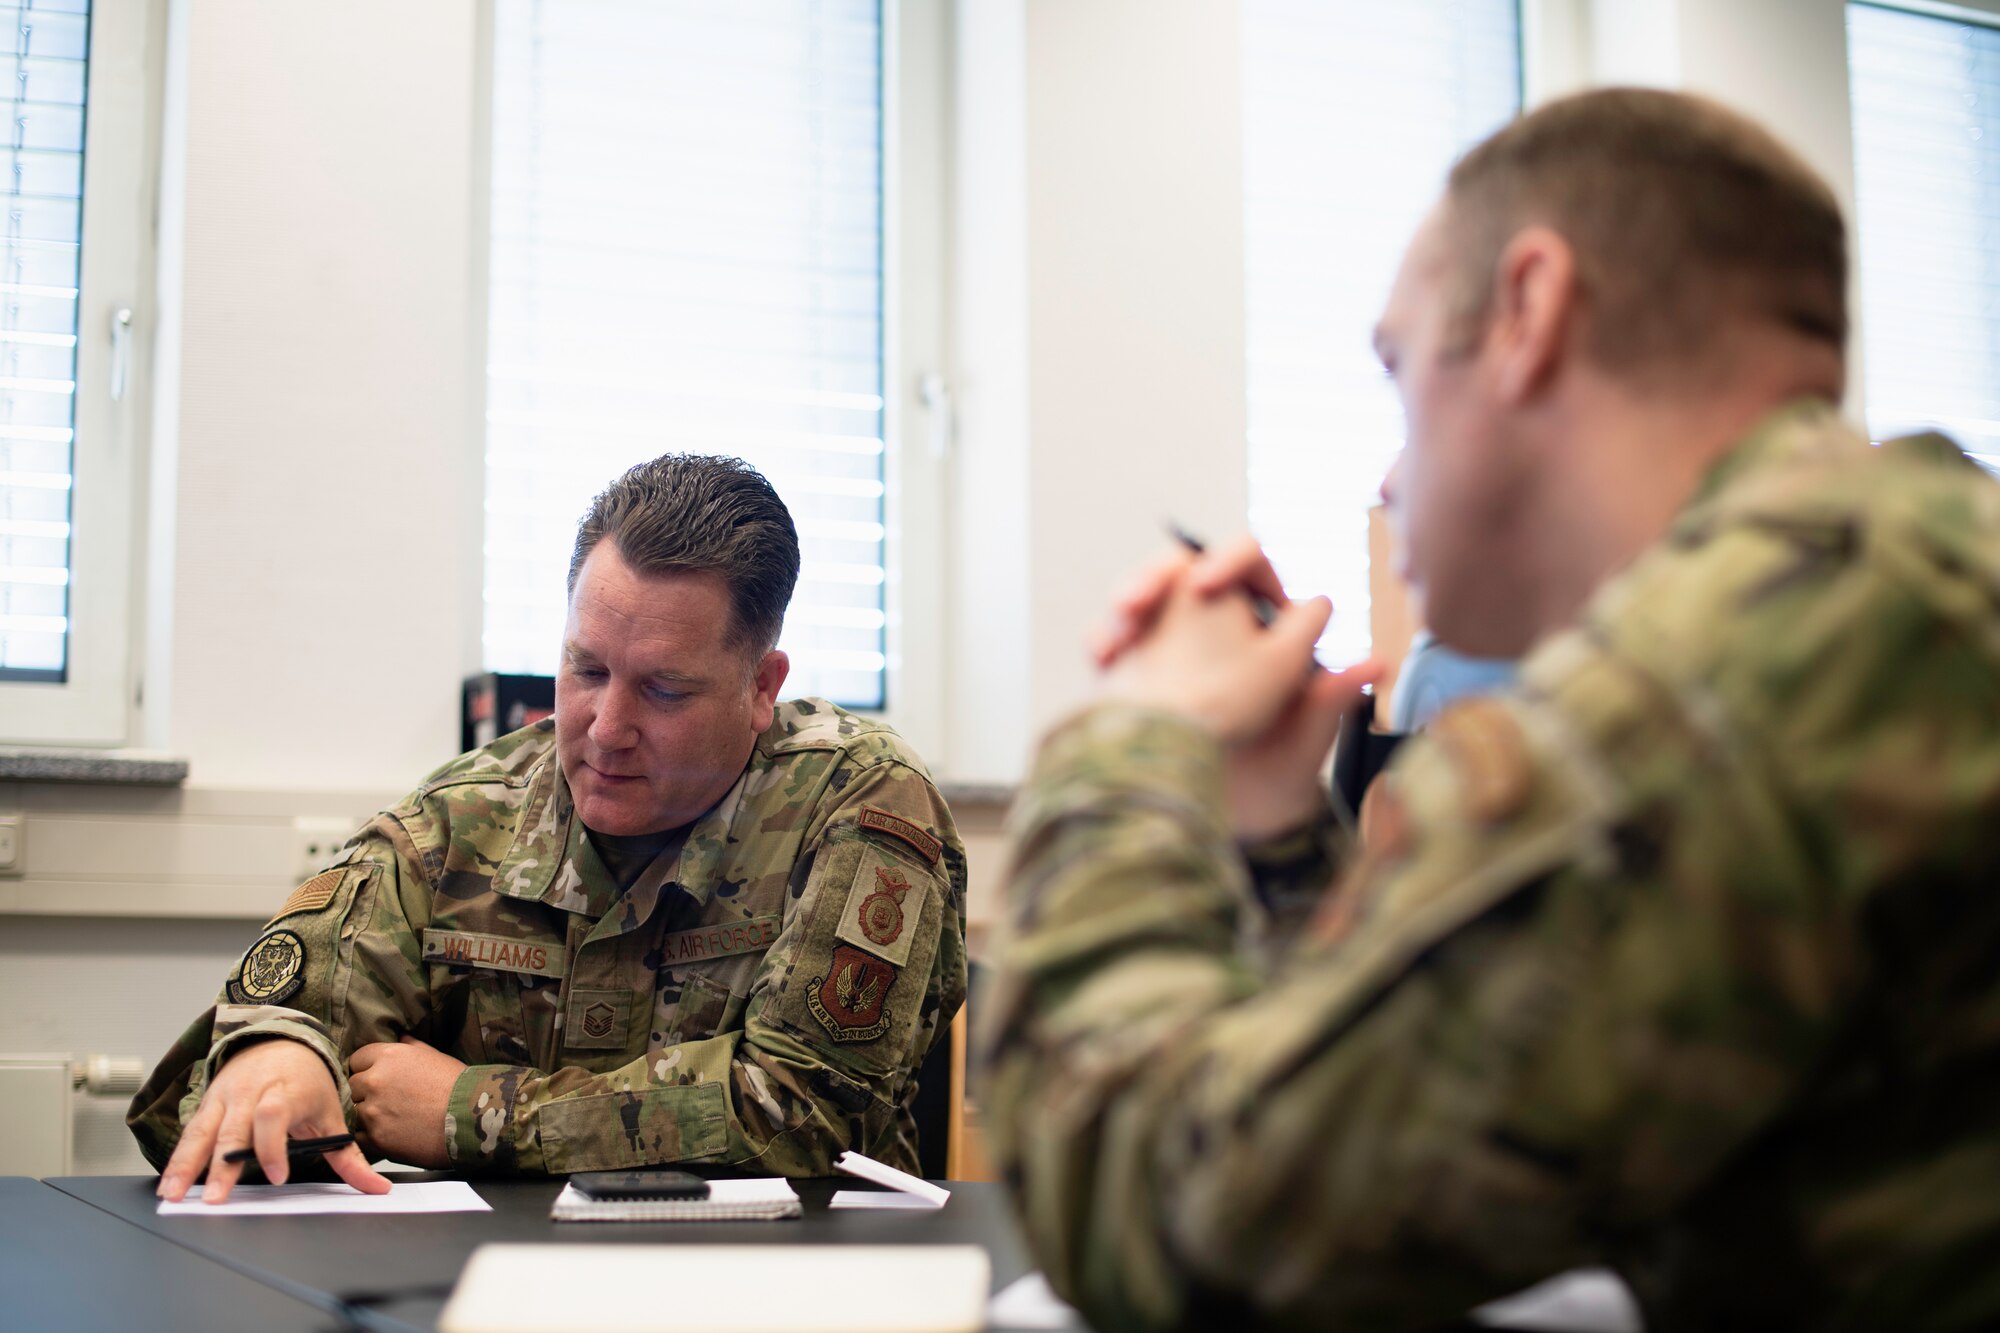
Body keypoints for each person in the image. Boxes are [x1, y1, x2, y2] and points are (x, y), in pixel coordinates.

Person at [981, 88, 2000, 1330]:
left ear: (1527, 310)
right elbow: (1439, 1118)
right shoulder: (1901, 572)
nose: (1388, 474)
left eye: (1399, 369)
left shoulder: (1722, 684)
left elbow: (1182, 1234)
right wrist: (1271, 830)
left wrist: (1136, 745)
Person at [134, 454, 967, 1202]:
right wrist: (276, 1056)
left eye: (664, 690)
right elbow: (204, 1095)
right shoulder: (461, 824)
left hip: (786, 1279)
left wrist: (471, 1112)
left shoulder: (861, 803)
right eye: (587, 669)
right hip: (482, 1281)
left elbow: (805, 1111)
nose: (607, 727)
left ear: (761, 687)